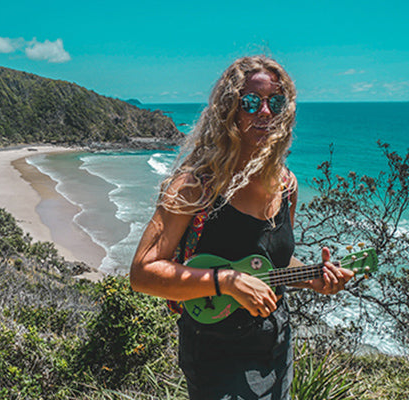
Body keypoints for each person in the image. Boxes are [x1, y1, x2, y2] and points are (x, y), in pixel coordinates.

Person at [130, 55, 354, 400]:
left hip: (276, 343)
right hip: (215, 351)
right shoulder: (195, 186)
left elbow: (271, 261)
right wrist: (226, 282)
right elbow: (143, 273)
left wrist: (314, 278)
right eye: (250, 102)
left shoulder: (286, 185)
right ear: (228, 110)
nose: (264, 112)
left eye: (275, 102)